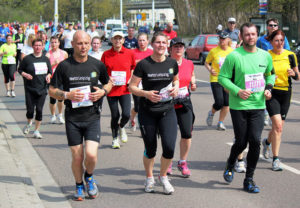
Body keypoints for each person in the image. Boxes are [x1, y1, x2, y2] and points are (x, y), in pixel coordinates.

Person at [49, 31, 112, 201]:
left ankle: (89, 177)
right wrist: (67, 95)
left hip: (92, 117)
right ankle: (78, 184)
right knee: (77, 157)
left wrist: (103, 92)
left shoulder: (96, 65)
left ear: (90, 44)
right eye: (79, 43)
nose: (83, 47)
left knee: (91, 155)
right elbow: (52, 90)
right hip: (73, 119)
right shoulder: (64, 66)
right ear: (73, 45)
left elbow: (109, 82)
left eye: (86, 43)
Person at [219, 23, 275, 193]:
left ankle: (249, 179)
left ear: (257, 35)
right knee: (241, 142)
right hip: (239, 106)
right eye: (247, 34)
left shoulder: (265, 56)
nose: (250, 37)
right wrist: (237, 90)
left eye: (253, 34)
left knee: (255, 141)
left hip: (258, 105)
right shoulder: (234, 56)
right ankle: (231, 162)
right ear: (241, 37)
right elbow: (222, 78)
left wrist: (269, 88)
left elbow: (270, 74)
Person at [129, 32, 179, 194]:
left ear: (167, 45)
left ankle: (163, 176)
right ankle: (149, 177)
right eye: (158, 42)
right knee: (151, 149)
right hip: (148, 112)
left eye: (164, 43)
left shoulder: (172, 63)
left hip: (167, 110)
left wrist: (176, 87)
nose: (161, 45)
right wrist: (146, 93)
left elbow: (176, 79)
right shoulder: (144, 64)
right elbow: (132, 87)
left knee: (170, 148)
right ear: (152, 44)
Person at [262, 29, 299, 171]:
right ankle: (276, 159)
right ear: (271, 42)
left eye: (281, 40)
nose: (279, 43)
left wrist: (293, 74)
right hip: (272, 93)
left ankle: (267, 142)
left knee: (278, 127)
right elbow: (260, 74)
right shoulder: (266, 56)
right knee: (277, 125)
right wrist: (268, 79)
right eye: (276, 40)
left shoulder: (290, 55)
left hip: (286, 93)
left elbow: (298, 76)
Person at [101, 31, 136, 149]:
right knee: (115, 115)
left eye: (120, 38)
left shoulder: (129, 53)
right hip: (111, 89)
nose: (117, 41)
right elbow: (102, 70)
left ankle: (121, 127)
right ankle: (115, 139)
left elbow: (133, 68)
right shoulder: (106, 54)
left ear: (123, 40)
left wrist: (130, 79)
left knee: (126, 114)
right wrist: (107, 78)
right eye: (115, 39)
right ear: (111, 40)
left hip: (125, 89)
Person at [167, 37, 196, 177]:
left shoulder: (189, 63)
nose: (178, 49)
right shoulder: (165, 63)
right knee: (170, 136)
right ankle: (167, 162)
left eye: (181, 46)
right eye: (176, 46)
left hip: (184, 103)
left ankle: (183, 162)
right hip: (168, 104)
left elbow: (191, 74)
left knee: (187, 133)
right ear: (170, 49)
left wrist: (193, 82)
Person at [18, 38, 52, 139]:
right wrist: (25, 74)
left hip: (42, 88)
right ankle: (29, 123)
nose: (37, 47)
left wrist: (48, 76)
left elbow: (50, 71)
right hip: (30, 88)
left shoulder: (45, 59)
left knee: (40, 110)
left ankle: (36, 130)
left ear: (42, 47)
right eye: (35, 45)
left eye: (39, 45)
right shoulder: (27, 59)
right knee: (30, 110)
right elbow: (20, 69)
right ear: (32, 47)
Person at [205, 31, 233, 131]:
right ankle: (212, 112)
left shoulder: (232, 51)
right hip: (216, 79)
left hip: (227, 80)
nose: (222, 41)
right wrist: (210, 69)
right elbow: (206, 62)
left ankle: (220, 122)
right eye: (220, 39)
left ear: (228, 40)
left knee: (227, 103)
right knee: (219, 102)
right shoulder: (214, 51)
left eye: (224, 39)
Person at [129, 33, 153, 131]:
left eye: (144, 40)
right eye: (140, 40)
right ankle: (132, 117)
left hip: (149, 81)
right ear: (137, 41)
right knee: (138, 106)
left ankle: (145, 126)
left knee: (149, 104)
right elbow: (129, 67)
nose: (142, 42)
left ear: (148, 41)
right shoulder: (132, 53)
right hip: (136, 83)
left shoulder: (152, 52)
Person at [46, 36, 68, 124]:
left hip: (62, 78)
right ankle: (53, 115)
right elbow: (46, 68)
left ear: (59, 43)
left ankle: (60, 114)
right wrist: (54, 63)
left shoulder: (64, 53)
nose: (54, 44)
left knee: (61, 98)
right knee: (52, 98)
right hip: (52, 78)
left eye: (55, 42)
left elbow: (67, 65)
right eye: (52, 42)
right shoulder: (48, 54)